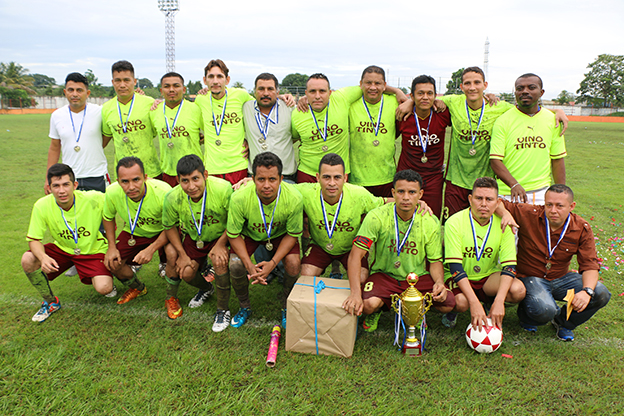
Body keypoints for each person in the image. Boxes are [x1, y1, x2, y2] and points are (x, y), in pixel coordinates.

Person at [342, 169, 455, 332]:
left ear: (421, 194)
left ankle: (415, 309)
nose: (406, 197)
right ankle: (381, 309)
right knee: (368, 305)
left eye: (412, 192)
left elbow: (435, 260)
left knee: (448, 302)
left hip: (417, 277)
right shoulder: (376, 216)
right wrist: (354, 293)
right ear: (393, 192)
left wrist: (439, 282)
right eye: (401, 191)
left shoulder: (430, 221)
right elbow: (355, 256)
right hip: (385, 275)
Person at [502, 184, 610, 341]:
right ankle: (528, 316)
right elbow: (497, 202)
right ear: (543, 203)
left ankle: (564, 322)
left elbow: (590, 265)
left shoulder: (581, 227)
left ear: (571, 206)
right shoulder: (529, 213)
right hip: (531, 277)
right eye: (549, 205)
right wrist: (505, 214)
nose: (553, 210)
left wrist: (586, 291)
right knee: (545, 308)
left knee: (600, 293)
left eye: (560, 206)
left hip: (560, 278)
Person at [21, 164, 116, 322]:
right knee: (28, 259)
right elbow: (34, 239)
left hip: (93, 250)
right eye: (56, 186)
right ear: (49, 188)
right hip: (63, 250)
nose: (61, 190)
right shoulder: (41, 205)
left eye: (66, 184)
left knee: (104, 288)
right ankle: (51, 302)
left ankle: (106, 275)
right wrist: (43, 258)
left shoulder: (93, 198)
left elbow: (117, 198)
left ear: (75, 185)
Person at [227, 152, 303, 329]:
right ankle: (244, 306)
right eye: (261, 179)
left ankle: (286, 306)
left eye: (272, 179)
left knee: (293, 263)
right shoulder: (239, 198)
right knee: (235, 265)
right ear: (253, 179)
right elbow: (234, 234)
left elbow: (292, 234)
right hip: (251, 234)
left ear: (281, 179)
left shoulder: (294, 198)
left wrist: (273, 262)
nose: (266, 185)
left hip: (280, 235)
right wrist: (248, 264)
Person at [442, 177, 525, 331]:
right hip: (460, 275)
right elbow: (455, 267)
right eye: (479, 198)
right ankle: (456, 311)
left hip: (487, 276)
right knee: (461, 302)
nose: (484, 204)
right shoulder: (454, 222)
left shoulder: (504, 224)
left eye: (489, 199)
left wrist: (499, 301)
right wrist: (473, 303)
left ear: (498, 202)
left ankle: (489, 302)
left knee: (517, 290)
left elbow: (510, 267)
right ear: (470, 199)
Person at [162, 155, 234, 328]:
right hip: (196, 238)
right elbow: (170, 227)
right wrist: (182, 254)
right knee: (186, 272)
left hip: (222, 235)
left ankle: (223, 310)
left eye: (195, 179)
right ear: (178, 180)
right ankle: (206, 289)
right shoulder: (172, 197)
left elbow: (234, 222)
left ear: (205, 175)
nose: (191, 186)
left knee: (219, 260)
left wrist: (221, 244)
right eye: (185, 181)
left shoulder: (223, 189)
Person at [297, 153, 388, 284]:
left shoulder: (359, 194)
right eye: (326, 177)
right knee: (305, 276)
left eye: (337, 177)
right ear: (318, 177)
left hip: (351, 248)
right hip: (320, 246)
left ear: (345, 178)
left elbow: (383, 202)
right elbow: (278, 187)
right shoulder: (306, 191)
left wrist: (418, 203)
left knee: (362, 279)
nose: (332, 183)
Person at [103, 157, 172, 306]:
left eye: (136, 180)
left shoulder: (164, 191)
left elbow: (172, 226)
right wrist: (111, 247)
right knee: (113, 262)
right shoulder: (112, 191)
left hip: (164, 232)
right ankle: (138, 288)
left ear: (145, 177)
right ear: (118, 181)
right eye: (125, 182)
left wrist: (151, 249)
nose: (131, 187)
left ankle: (172, 296)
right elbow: (108, 218)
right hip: (135, 233)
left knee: (173, 255)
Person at [490, 73, 566, 205]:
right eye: (520, 88)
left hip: (541, 192)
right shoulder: (503, 121)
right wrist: (514, 185)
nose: (525, 91)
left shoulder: (553, 120)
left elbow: (557, 159)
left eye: (531, 87)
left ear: (541, 92)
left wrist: (561, 193)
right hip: (508, 192)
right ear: (515, 93)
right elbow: (495, 160)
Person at [397, 75, 451, 218]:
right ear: (412, 95)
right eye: (420, 93)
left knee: (431, 218)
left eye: (429, 93)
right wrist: (404, 98)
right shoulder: (402, 114)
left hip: (434, 178)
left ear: (435, 95)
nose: (425, 97)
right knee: (405, 218)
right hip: (407, 176)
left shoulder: (443, 113)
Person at [46, 72, 108, 194]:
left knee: (100, 212)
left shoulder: (100, 112)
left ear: (87, 93)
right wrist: (48, 177)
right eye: (71, 90)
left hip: (97, 174)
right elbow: (54, 147)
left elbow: (107, 135)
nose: (75, 94)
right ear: (65, 92)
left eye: (79, 90)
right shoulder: (57, 115)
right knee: (71, 212)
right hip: (68, 177)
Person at [348, 66, 404, 197]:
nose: (373, 87)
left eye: (377, 83)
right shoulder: (350, 104)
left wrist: (398, 92)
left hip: (387, 177)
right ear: (360, 84)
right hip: (357, 179)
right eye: (368, 83)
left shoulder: (395, 103)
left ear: (384, 85)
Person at [102, 60, 161, 179]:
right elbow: (104, 140)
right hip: (123, 174)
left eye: (126, 80)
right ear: (112, 82)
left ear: (134, 82)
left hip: (150, 171)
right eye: (118, 80)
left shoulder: (150, 103)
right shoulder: (106, 108)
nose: (122, 85)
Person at [150, 72, 203, 188]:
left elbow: (210, 133)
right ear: (161, 90)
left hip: (193, 172)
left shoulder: (196, 109)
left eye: (176, 86)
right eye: (167, 86)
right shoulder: (154, 111)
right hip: (167, 172)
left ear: (184, 89)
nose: (171, 90)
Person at [242, 73, 297, 183]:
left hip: (285, 176)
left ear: (277, 92)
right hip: (255, 177)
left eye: (270, 89)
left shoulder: (290, 108)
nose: (265, 93)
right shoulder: (245, 108)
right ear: (254, 91)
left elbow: (299, 136)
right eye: (261, 89)